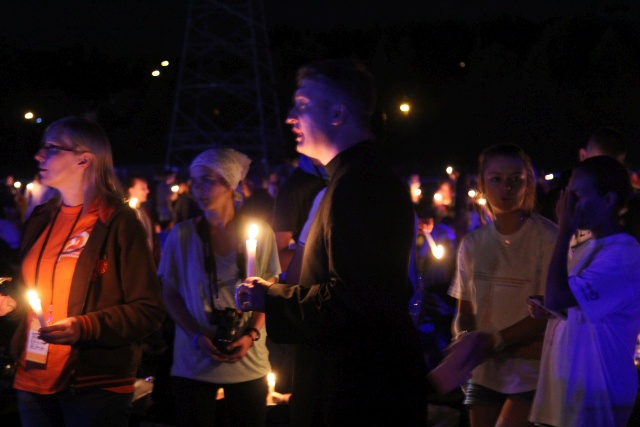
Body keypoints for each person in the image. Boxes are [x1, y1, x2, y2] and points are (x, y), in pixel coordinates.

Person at [235, 58, 427, 426]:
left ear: (338, 113)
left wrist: (270, 298)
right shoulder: (350, 180)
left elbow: (354, 301)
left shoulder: (361, 186)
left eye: (303, 105)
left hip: (358, 394)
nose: (290, 117)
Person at [0, 116, 165, 426]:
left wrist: (84, 326)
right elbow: (30, 296)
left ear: (84, 159)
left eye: (50, 148)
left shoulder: (117, 222)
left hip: (93, 386)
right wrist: (10, 305)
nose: (39, 156)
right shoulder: (41, 217)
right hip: (32, 379)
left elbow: (149, 310)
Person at [157, 147, 280, 427]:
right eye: (194, 180)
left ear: (229, 184)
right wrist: (195, 336)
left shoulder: (259, 233)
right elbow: (169, 293)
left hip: (248, 364)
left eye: (206, 180)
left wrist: (250, 334)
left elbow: (270, 294)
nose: (197, 188)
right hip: (193, 365)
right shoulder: (182, 234)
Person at [446, 143, 557, 427]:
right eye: (496, 179)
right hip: (484, 373)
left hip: (532, 373)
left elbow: (550, 311)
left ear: (527, 184)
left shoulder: (547, 238)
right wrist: (465, 340)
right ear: (482, 184)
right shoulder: (473, 243)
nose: (505, 188)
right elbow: (465, 309)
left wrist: (493, 342)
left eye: (515, 180)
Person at [528, 155, 640, 427]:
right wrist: (550, 307)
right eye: (569, 196)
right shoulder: (585, 246)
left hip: (596, 399)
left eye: (577, 196)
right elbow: (571, 303)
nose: (569, 206)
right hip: (566, 395)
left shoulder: (624, 252)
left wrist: (564, 229)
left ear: (609, 200)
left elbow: (560, 294)